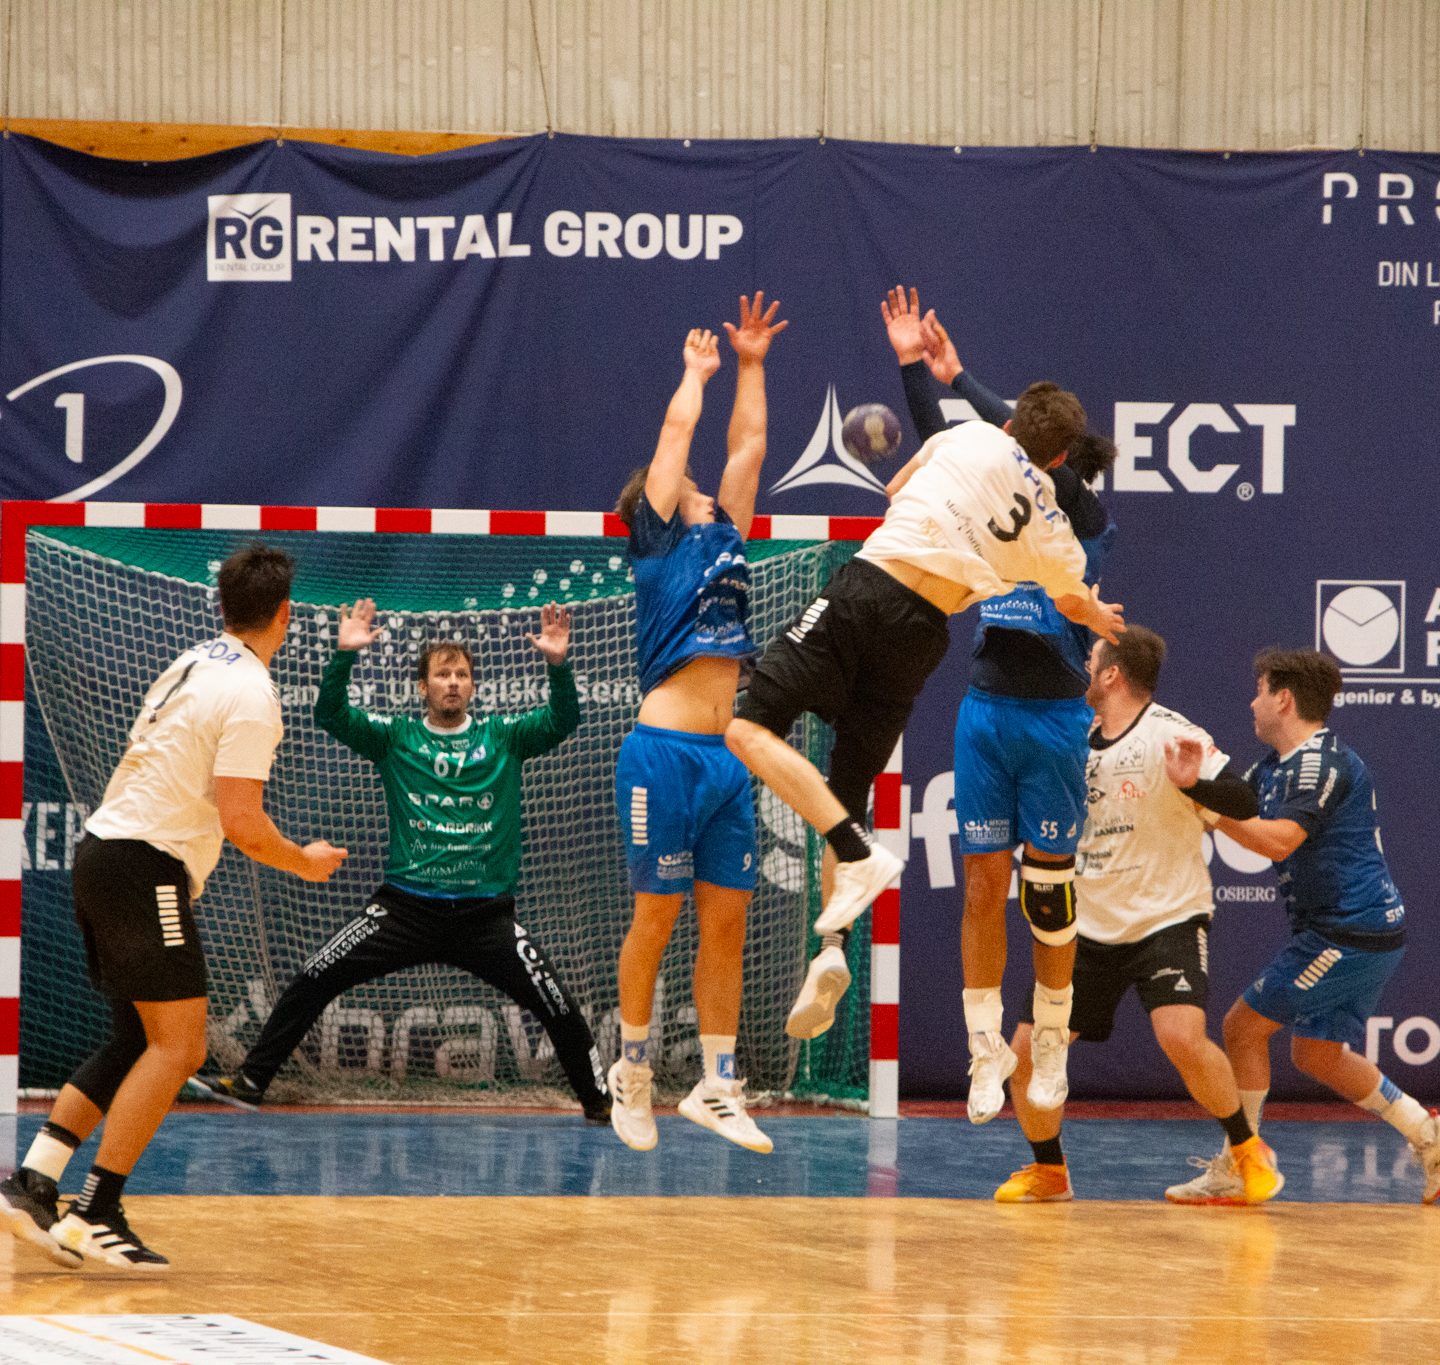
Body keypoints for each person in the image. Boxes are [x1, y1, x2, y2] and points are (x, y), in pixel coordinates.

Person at [777, 286, 1124, 1052]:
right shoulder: (1015, 481)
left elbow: (999, 441)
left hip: (1049, 703)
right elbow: (978, 440)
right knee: (967, 875)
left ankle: (1049, 1034)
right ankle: (965, 1033)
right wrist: (930, 371)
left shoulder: (1081, 521)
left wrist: (953, 377)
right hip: (981, 691)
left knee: (1046, 893)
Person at [0, 544, 347, 1270]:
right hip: (142, 864)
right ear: (285, 615)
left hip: (104, 853)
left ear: (223, 606)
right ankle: (96, 1211)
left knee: (137, 1039)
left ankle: (32, 1183)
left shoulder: (194, 661)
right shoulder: (251, 692)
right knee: (181, 1046)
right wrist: (304, 861)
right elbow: (243, 822)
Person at [199, 599, 610, 1123]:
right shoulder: (396, 738)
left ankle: (600, 1103)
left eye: (462, 675)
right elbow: (331, 715)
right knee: (315, 975)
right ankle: (253, 1080)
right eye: (442, 674)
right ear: (422, 687)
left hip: (486, 917)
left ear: (473, 687)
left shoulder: (503, 738)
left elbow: (562, 719)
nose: (453, 683)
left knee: (556, 1001)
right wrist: (344, 655)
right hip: (405, 910)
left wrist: (557, 664)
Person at [994, 626, 1281, 1205]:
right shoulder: (1072, 737)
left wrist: (1195, 783)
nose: (1081, 668)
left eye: (1091, 660)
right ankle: (1050, 1171)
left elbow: (1245, 801)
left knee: (1180, 1035)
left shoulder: (1171, 734)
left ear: (1112, 674)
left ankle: (1248, 1151)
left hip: (1165, 917)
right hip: (1084, 927)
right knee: (1024, 1055)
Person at [608, 294, 787, 1155]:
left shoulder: (727, 539)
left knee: (727, 922)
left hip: (724, 757)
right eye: (687, 487)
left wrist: (751, 364)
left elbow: (747, 447)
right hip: (663, 754)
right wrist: (698, 373)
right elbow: (678, 438)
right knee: (656, 917)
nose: (706, 489)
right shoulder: (658, 544)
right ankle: (633, 1071)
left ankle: (717, 1085)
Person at [1164, 647, 1440, 1206]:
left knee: (1243, 1028)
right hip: (1359, 932)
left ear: (1284, 699)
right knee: (1316, 1054)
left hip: (1349, 933)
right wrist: (1193, 784)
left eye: (1260, 691)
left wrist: (1206, 806)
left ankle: (1240, 1164)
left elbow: (1278, 841)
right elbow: (1233, 804)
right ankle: (1428, 1135)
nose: (1252, 703)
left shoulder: (1321, 764)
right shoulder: (1274, 767)